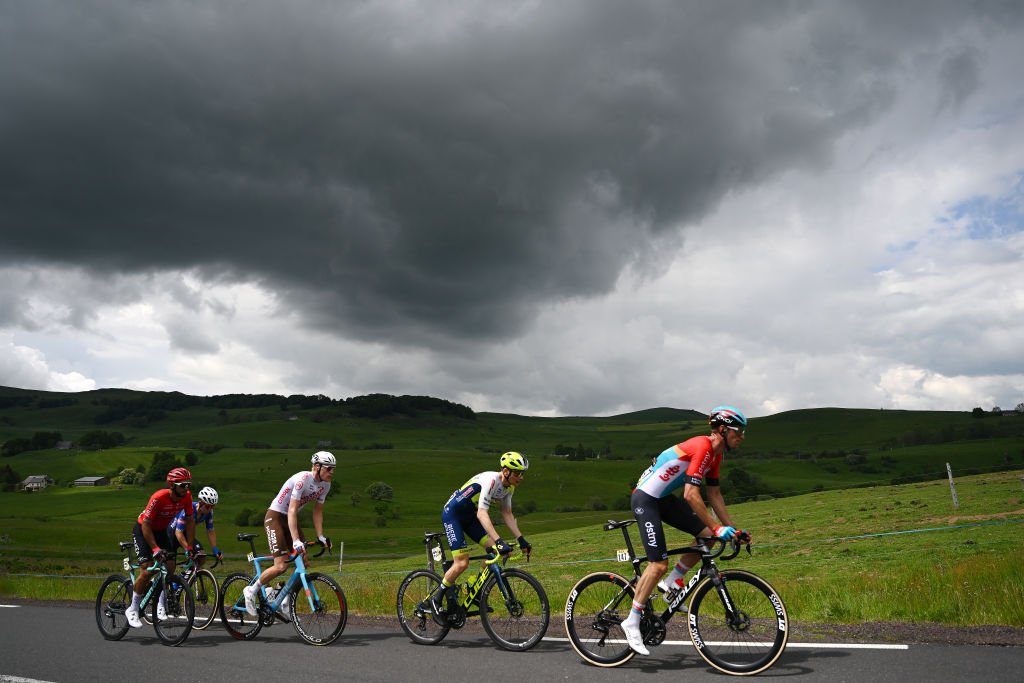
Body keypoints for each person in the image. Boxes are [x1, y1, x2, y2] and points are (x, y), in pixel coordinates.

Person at [621, 406, 750, 655]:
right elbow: (691, 495)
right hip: (646, 499)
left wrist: (731, 529)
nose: (742, 436)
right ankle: (632, 621)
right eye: (739, 431)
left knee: (709, 536)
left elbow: (714, 494)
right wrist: (717, 526)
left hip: (664, 499)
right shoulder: (703, 447)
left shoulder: (716, 455)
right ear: (723, 430)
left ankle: (673, 582)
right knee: (657, 564)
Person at [427, 451, 532, 614]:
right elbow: (482, 513)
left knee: (494, 553)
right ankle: (436, 598)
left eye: (522, 474)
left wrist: (521, 539)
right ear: (506, 471)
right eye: (517, 473)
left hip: (469, 517)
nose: (521, 477)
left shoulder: (509, 487)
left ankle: (473, 588)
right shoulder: (491, 481)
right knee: (462, 562)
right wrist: (498, 540)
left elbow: (507, 514)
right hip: (453, 515)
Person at [243, 451, 335, 615]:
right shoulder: (302, 479)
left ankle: (285, 597)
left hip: (290, 519)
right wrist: (295, 541)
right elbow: (292, 510)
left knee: (304, 562)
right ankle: (251, 590)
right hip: (276, 516)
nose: (331, 472)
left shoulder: (325, 485)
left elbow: (318, 512)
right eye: (328, 468)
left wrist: (321, 536)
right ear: (317, 466)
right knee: (281, 566)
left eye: (333, 469)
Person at [125, 467, 196, 628]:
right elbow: (146, 524)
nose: (187, 489)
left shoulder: (187, 497)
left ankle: (159, 604)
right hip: (144, 530)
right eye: (183, 485)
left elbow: (190, 521)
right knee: (148, 568)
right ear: (172, 485)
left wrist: (189, 545)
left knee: (170, 568)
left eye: (188, 485)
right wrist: (155, 549)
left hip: (161, 531)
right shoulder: (159, 497)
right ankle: (133, 608)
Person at [170, 486, 223, 575]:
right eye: (208, 506)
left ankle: (182, 580)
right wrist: (187, 549)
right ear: (201, 503)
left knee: (201, 556)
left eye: (213, 506)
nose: (210, 509)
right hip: (173, 533)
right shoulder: (189, 509)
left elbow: (210, 531)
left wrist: (215, 549)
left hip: (186, 534)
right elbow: (178, 532)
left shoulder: (209, 513)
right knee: (170, 566)